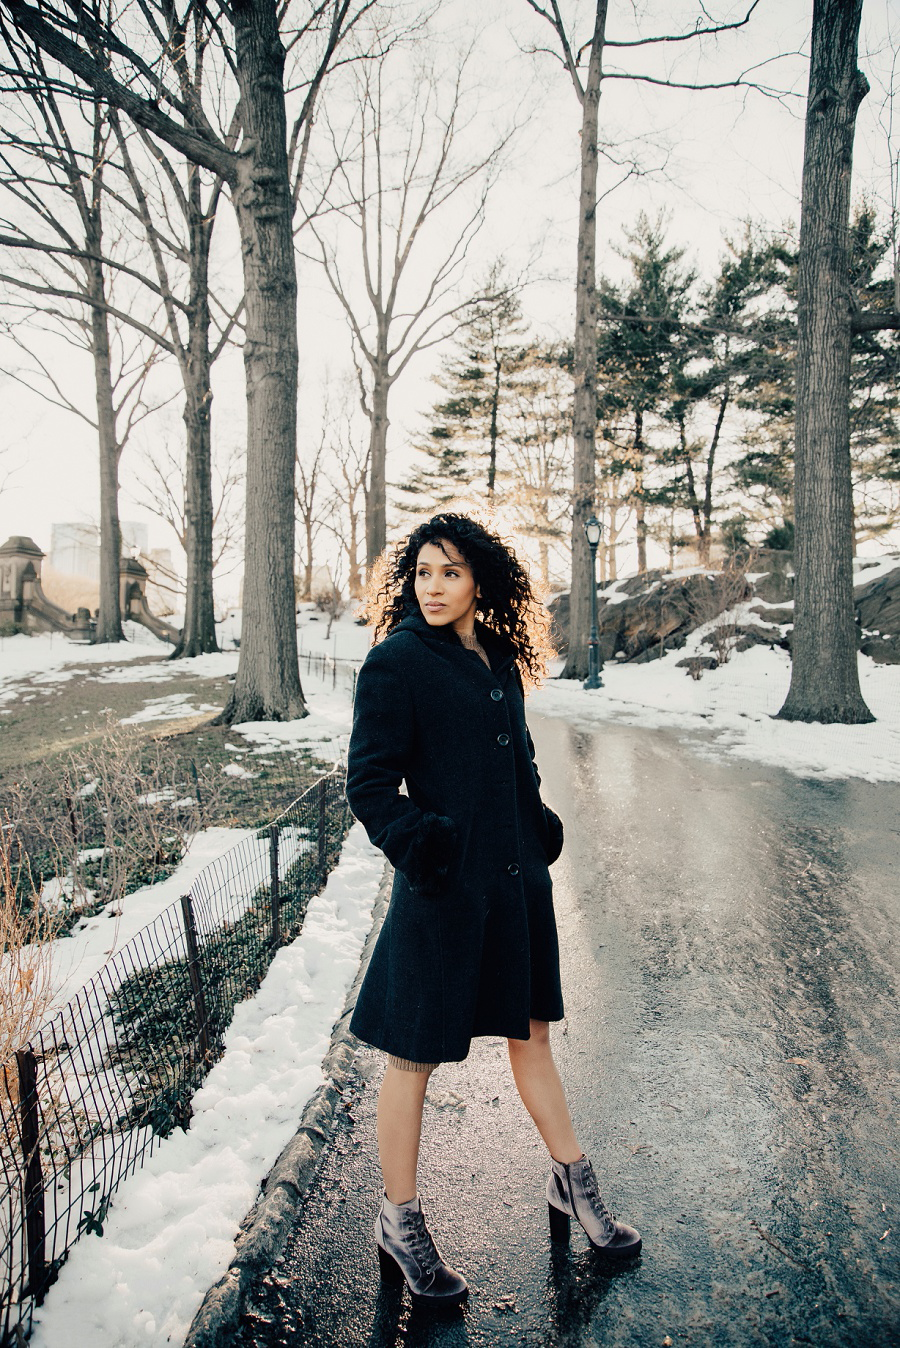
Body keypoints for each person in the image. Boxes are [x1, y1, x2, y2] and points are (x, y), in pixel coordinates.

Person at [346, 513, 641, 1308]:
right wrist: (427, 846)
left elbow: (519, 756)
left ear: (480, 579)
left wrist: (536, 823)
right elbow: (369, 786)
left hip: (514, 887)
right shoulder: (396, 663)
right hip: (443, 893)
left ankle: (572, 1183)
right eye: (422, 573)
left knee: (531, 1036)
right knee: (413, 1057)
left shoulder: (498, 658)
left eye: (449, 572)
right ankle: (397, 1219)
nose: (433, 587)